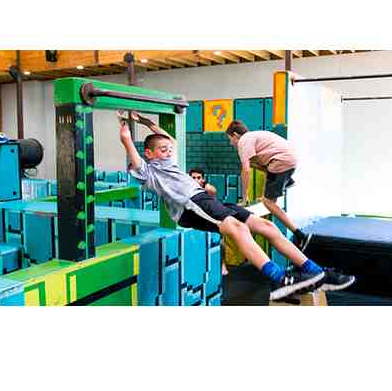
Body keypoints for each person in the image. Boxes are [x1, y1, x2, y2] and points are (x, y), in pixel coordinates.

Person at [119, 110, 355, 301]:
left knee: (266, 226)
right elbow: (135, 158)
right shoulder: (149, 173)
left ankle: (315, 272)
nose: (169, 151)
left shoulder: (169, 161)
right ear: (149, 154)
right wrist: (126, 133)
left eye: (169, 149)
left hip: (205, 200)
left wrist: (145, 121)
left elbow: (167, 139)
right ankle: (279, 279)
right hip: (190, 206)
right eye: (163, 150)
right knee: (237, 228)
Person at [226, 120, 312, 251]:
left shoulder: (244, 141)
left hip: (281, 161)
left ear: (236, 135)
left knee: (268, 203)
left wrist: (244, 198)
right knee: (254, 162)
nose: (230, 143)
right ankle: (288, 181)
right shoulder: (255, 136)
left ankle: (300, 235)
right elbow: (256, 162)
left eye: (230, 139)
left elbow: (246, 171)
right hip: (288, 160)